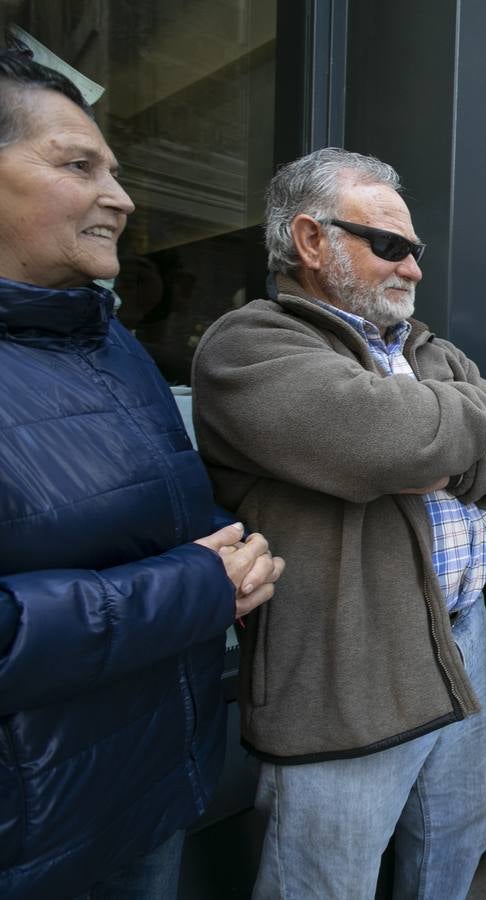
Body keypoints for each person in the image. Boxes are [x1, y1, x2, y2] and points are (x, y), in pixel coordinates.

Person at [192, 148, 486, 900]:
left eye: (414, 250)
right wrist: (433, 432)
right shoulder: (246, 344)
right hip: (344, 664)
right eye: (390, 245)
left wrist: (434, 443)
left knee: (458, 838)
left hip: (464, 638)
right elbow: (395, 440)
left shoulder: (426, 347)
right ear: (312, 240)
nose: (414, 268)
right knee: (324, 882)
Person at [0, 51, 284, 899]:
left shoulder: (112, 346)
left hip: (150, 797)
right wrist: (198, 588)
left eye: (116, 171)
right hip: (32, 840)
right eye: (78, 165)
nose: (120, 199)